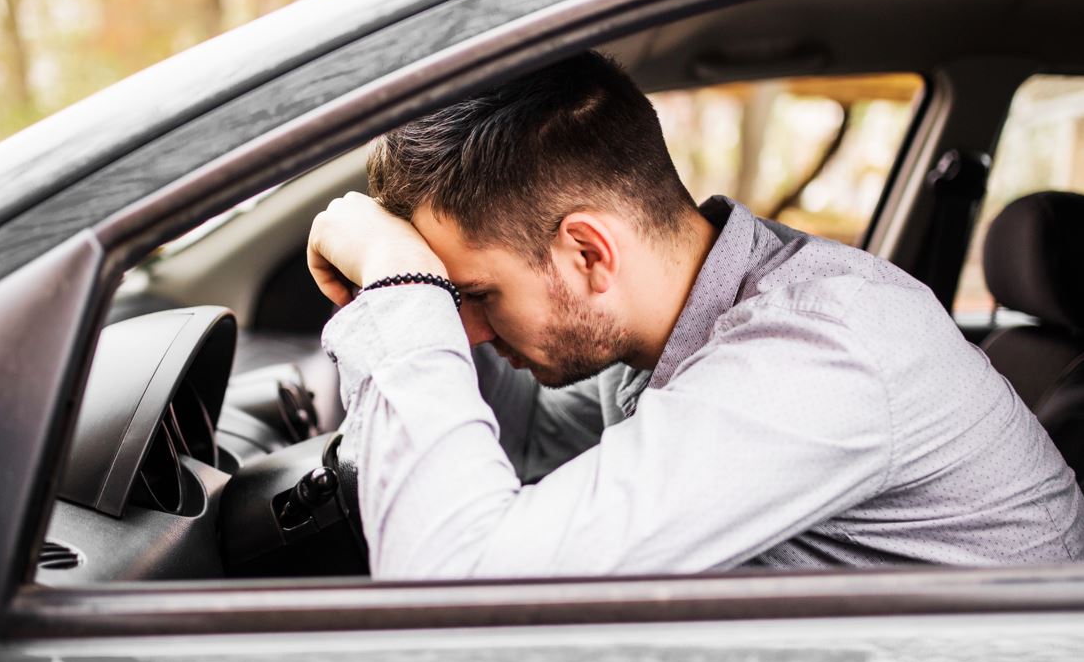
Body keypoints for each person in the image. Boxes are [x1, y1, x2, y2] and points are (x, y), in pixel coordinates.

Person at [305, 50, 1084, 579]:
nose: (465, 329)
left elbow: (456, 594)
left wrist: (401, 294)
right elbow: (536, 435)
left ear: (588, 255)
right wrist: (415, 287)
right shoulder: (684, 318)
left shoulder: (819, 349)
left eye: (473, 296)